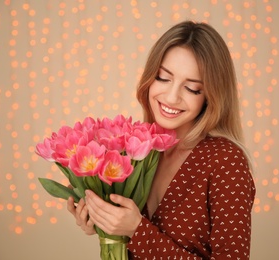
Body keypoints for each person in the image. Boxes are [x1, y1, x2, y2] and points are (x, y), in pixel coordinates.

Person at [67, 20, 256, 259]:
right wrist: (103, 226)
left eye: (192, 88)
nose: (171, 96)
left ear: (210, 97)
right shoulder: (135, 152)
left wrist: (137, 231)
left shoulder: (225, 161)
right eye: (163, 78)